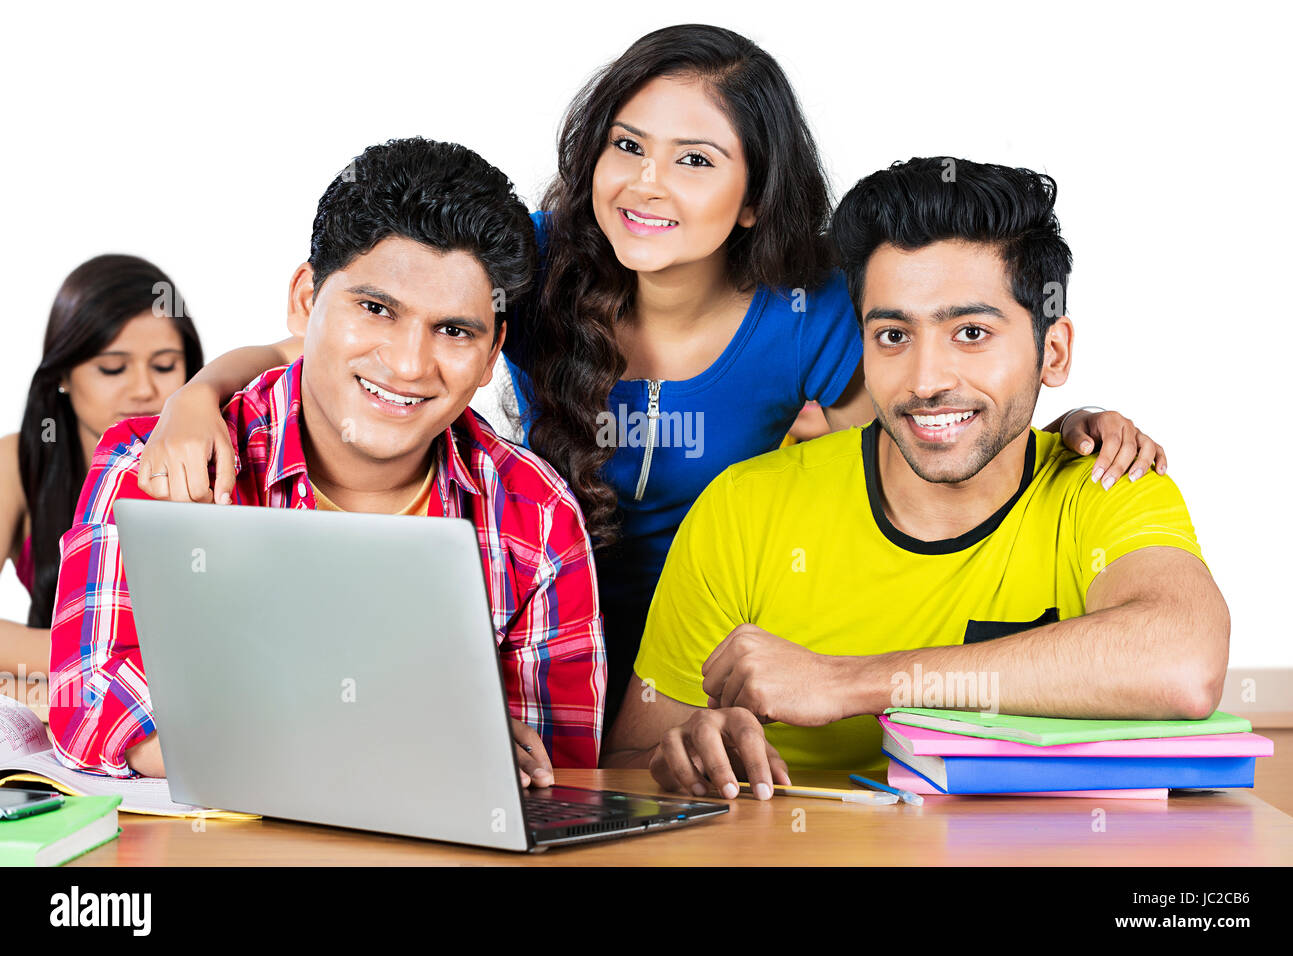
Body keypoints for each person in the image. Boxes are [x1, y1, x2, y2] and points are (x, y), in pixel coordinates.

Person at [130, 26, 1164, 732]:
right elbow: (344, 342)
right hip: (535, 623)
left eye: (697, 160)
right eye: (627, 145)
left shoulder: (809, 305)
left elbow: (929, 409)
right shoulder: (536, 257)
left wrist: (1072, 425)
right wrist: (191, 400)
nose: (647, 184)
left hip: (715, 655)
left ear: (758, 199)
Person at [602, 157, 1229, 799]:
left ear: (1055, 351)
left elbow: (1183, 664)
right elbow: (630, 761)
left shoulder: (1105, 482)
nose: (926, 381)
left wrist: (848, 681)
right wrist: (681, 758)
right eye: (894, 335)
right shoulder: (746, 506)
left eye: (972, 332)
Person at [47, 138, 605, 781]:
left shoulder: (534, 515)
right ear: (306, 299)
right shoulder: (160, 463)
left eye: (453, 330)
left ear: (491, 352)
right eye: (376, 310)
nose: (406, 364)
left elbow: (554, 773)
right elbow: (91, 710)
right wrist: (390, 729)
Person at [0, 255, 203, 693]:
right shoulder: (18, 461)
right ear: (63, 376)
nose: (144, 390)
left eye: (165, 365)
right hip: (69, 708)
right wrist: (93, 663)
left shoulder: (216, 457)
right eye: (112, 368)